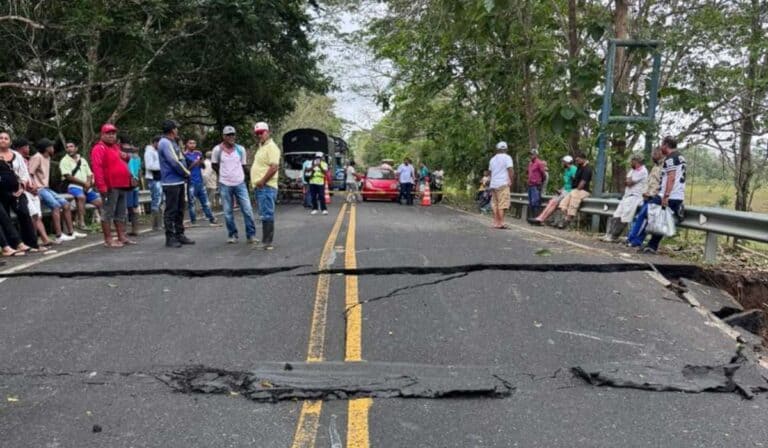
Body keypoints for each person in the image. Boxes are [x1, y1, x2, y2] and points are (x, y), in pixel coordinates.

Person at [28, 139, 85, 242]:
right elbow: (30, 173)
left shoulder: (48, 157)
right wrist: (34, 187)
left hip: (46, 188)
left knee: (66, 204)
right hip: (40, 189)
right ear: (47, 148)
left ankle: (71, 232)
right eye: (51, 147)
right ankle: (59, 235)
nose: (53, 149)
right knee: (56, 206)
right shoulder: (37, 157)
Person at [638, 136, 686, 254]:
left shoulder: (671, 158)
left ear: (666, 145)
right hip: (677, 195)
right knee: (661, 220)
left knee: (648, 211)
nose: (660, 147)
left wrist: (666, 196)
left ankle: (642, 241)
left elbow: (671, 177)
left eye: (661, 145)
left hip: (669, 195)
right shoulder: (680, 157)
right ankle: (652, 246)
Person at [91, 123, 135, 248]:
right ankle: (108, 239)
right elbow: (97, 168)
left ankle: (122, 236)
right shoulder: (99, 148)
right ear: (102, 134)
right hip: (110, 185)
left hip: (122, 184)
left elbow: (122, 160)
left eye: (113, 133)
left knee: (121, 212)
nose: (111, 135)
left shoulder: (115, 147)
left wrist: (126, 157)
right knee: (108, 212)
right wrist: (101, 186)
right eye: (108, 133)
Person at [211, 126, 257, 244]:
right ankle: (232, 234)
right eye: (228, 135)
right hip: (225, 184)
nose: (231, 137)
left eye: (233, 135)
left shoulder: (240, 149)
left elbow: (243, 166)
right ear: (224, 137)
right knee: (227, 212)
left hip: (240, 183)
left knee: (247, 209)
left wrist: (253, 178)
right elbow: (214, 165)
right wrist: (223, 174)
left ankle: (251, 235)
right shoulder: (217, 150)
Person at [0, 131, 37, 255]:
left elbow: (24, 172)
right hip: (2, 192)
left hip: (17, 189)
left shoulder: (16, 155)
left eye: (6, 138)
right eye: (1, 138)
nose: (3, 140)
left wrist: (23, 185)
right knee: (5, 217)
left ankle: (30, 243)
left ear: (10, 142)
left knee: (24, 212)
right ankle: (11, 245)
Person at [13, 138, 55, 247]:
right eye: (26, 146)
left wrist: (35, 186)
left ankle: (42, 239)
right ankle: (32, 241)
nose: (28, 148)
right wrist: (30, 188)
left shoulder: (27, 159)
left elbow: (30, 175)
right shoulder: (15, 159)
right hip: (24, 191)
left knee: (37, 216)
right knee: (33, 215)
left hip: (33, 189)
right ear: (20, 148)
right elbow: (19, 177)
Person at [158, 120, 193, 248]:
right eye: (176, 128)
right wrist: (186, 173)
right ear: (173, 130)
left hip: (178, 181)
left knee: (180, 209)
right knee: (171, 210)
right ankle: (170, 237)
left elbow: (181, 158)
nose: (177, 130)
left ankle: (180, 234)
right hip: (170, 182)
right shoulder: (165, 143)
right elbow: (174, 161)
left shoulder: (173, 142)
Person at [601, 154, 649, 242]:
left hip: (635, 197)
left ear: (637, 161)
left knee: (624, 217)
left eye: (632, 161)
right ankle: (608, 234)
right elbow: (626, 181)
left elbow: (629, 182)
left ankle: (614, 236)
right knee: (616, 214)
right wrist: (628, 181)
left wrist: (628, 181)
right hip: (626, 196)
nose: (631, 163)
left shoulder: (643, 171)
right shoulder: (632, 170)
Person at [250, 121, 280, 249]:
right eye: (257, 133)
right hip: (260, 187)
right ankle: (265, 241)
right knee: (264, 214)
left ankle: (267, 242)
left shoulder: (271, 147)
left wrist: (262, 181)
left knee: (267, 214)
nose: (259, 135)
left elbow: (274, 167)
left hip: (266, 186)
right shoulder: (261, 147)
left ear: (268, 132)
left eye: (261, 133)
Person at [626, 147, 664, 248]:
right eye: (652, 154)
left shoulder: (664, 166)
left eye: (655, 154)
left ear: (661, 154)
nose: (653, 156)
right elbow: (649, 182)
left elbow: (661, 183)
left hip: (655, 196)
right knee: (640, 218)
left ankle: (635, 240)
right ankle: (632, 239)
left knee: (644, 218)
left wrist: (653, 194)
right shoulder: (655, 167)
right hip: (647, 196)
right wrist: (645, 192)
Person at [60, 141, 103, 230]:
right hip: (73, 186)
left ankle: (105, 223)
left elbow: (89, 173)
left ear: (76, 148)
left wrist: (88, 183)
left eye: (71, 146)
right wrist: (84, 184)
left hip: (86, 186)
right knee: (81, 197)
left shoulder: (82, 160)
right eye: (67, 147)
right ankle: (81, 223)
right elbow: (68, 176)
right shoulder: (64, 161)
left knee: (100, 202)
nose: (69, 149)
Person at [530, 155, 577, 225]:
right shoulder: (566, 170)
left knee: (554, 202)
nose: (562, 164)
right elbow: (567, 183)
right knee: (551, 201)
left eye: (563, 162)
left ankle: (542, 219)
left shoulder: (573, 169)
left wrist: (569, 191)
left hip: (569, 191)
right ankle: (539, 217)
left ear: (567, 162)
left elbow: (575, 182)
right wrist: (561, 190)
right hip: (565, 190)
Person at [183, 138, 218, 226]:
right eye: (190, 143)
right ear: (187, 144)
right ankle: (193, 221)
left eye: (194, 143)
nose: (193, 145)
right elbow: (185, 169)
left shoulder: (198, 153)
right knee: (192, 203)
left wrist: (201, 162)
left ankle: (211, 219)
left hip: (200, 180)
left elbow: (203, 167)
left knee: (205, 202)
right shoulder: (185, 155)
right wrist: (195, 162)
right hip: (191, 181)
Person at [557, 152, 593, 229]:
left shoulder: (587, 169)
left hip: (583, 190)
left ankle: (567, 220)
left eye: (578, 160)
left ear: (583, 159)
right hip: (574, 189)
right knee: (563, 203)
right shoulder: (579, 167)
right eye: (576, 160)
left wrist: (575, 189)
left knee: (574, 198)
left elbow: (582, 183)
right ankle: (567, 219)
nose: (576, 162)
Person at [489, 141, 515, 229]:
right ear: (506, 149)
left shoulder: (492, 159)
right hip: (503, 183)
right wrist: (510, 180)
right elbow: (510, 170)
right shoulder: (507, 158)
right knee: (502, 204)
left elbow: (490, 172)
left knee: (495, 203)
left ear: (497, 149)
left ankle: (496, 222)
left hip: (494, 184)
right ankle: (501, 222)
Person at [144, 136, 163, 230]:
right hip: (153, 179)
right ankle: (155, 225)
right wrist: (162, 167)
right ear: (155, 142)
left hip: (159, 178)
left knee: (160, 201)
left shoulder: (157, 151)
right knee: (156, 201)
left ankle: (159, 224)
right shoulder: (149, 152)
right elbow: (149, 166)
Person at [123, 142, 142, 236]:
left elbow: (127, 170)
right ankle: (135, 229)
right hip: (136, 184)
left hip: (129, 183)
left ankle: (124, 230)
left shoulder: (127, 158)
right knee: (134, 207)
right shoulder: (138, 158)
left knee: (126, 207)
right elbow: (139, 171)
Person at [526, 148, 547, 218]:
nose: (531, 156)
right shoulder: (530, 163)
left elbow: (543, 174)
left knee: (535, 201)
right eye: (530, 154)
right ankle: (531, 217)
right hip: (530, 185)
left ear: (536, 155)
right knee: (530, 202)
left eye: (532, 154)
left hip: (536, 185)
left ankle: (536, 217)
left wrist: (540, 182)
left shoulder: (539, 163)